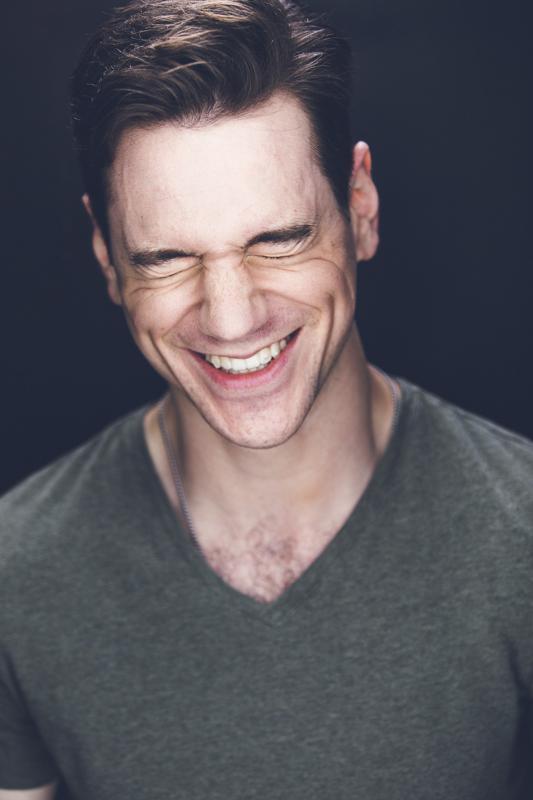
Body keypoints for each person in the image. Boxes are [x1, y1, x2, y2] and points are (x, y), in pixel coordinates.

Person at [1, 0, 532, 797]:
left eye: (277, 240)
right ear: (108, 259)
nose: (231, 315)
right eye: (167, 257)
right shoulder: (15, 574)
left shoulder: (519, 533)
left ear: (359, 209)